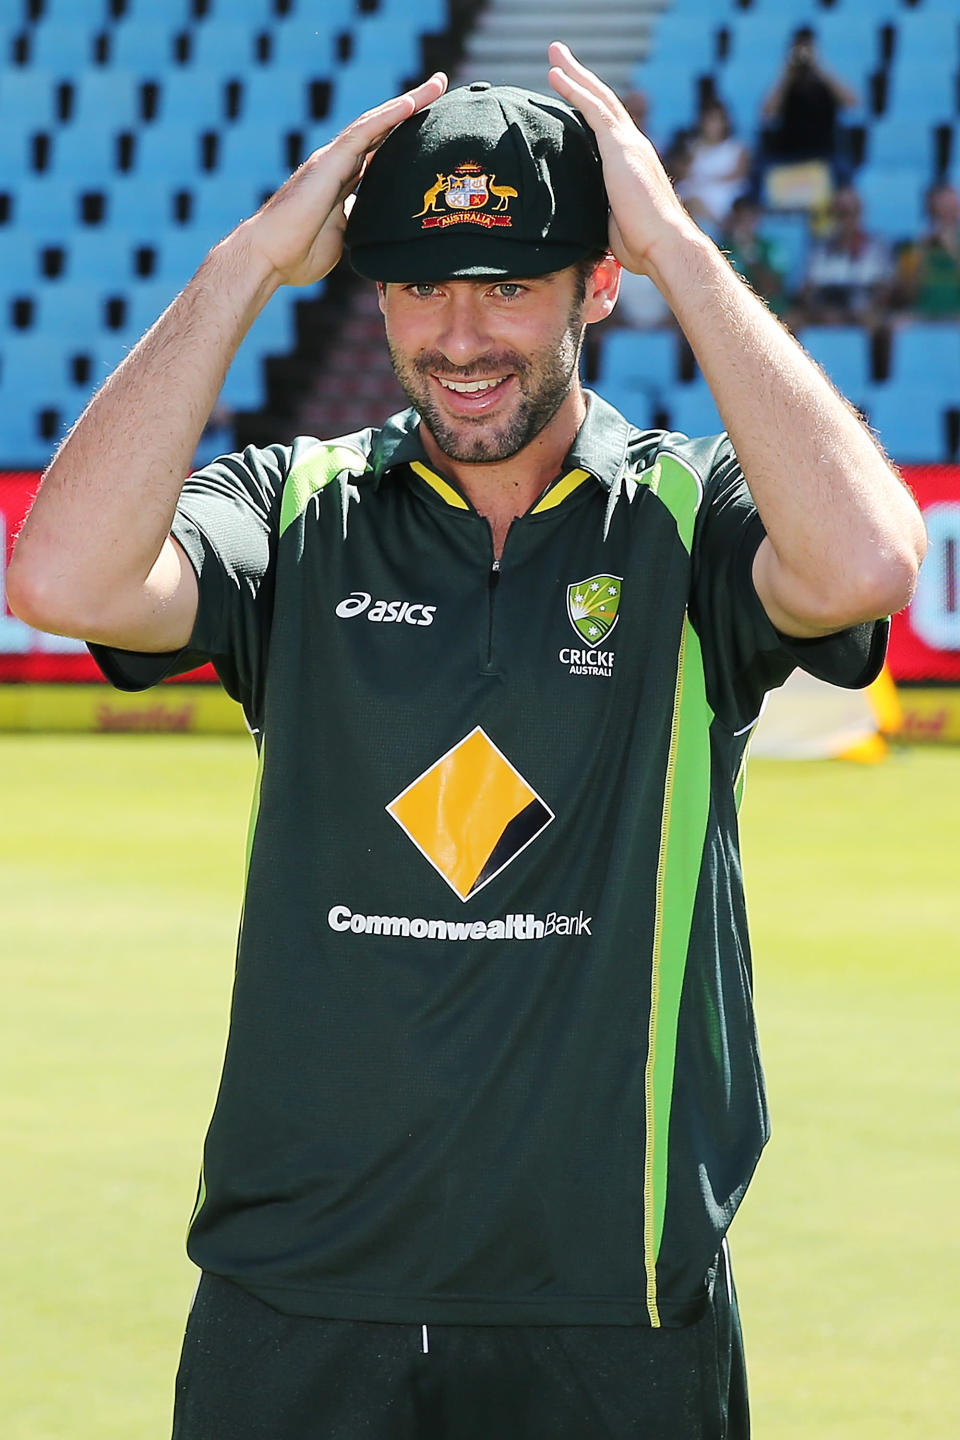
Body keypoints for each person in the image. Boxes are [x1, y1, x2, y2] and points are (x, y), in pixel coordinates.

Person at [7, 42, 925, 1440]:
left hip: (611, 1306)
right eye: (420, 283)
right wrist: (248, 262)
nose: (458, 332)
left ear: (594, 285)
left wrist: (680, 243)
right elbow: (64, 582)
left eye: (508, 284)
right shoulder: (302, 507)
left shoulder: (689, 518)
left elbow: (865, 562)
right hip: (296, 1297)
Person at [761, 26, 858, 191]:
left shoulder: (825, 83)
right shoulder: (786, 84)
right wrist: (786, 74)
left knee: (846, 175)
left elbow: (852, 103)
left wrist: (820, 68)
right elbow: (767, 114)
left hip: (824, 154)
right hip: (788, 155)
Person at [798, 183, 894, 327]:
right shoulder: (819, 249)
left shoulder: (876, 247)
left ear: (859, 214)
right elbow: (807, 290)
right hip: (826, 309)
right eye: (840, 214)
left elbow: (886, 289)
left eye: (851, 213)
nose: (846, 220)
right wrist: (819, 311)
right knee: (792, 321)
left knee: (874, 322)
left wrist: (867, 307)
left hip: (862, 308)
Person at [675, 98, 751, 232]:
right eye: (709, 120)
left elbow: (738, 174)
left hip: (723, 193)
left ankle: (721, 230)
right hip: (695, 188)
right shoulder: (694, 147)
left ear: (725, 122)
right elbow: (683, 173)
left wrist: (708, 179)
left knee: (696, 202)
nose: (712, 126)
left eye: (716, 120)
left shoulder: (736, 148)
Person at [895, 180, 960, 320]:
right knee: (897, 323)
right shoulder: (912, 246)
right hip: (922, 315)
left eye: (949, 210)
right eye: (938, 212)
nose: (944, 217)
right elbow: (905, 296)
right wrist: (921, 254)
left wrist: (953, 250)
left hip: (957, 315)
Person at [720, 195, 790, 318]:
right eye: (740, 219)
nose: (745, 225)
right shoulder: (722, 249)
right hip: (731, 309)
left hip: (770, 309)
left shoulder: (770, 248)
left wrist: (751, 256)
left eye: (749, 219)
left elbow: (773, 288)